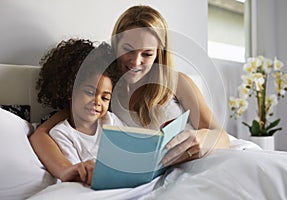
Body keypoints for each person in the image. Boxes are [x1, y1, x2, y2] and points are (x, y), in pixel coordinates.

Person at [29, 5, 230, 186]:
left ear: (159, 53)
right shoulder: (104, 88)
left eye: (147, 54)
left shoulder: (178, 83)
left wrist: (200, 138)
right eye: (128, 50)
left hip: (191, 169)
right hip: (151, 182)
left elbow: (221, 136)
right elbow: (41, 134)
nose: (136, 62)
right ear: (116, 46)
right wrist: (67, 170)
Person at [34, 38, 123, 184]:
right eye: (89, 92)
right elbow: (75, 174)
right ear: (70, 90)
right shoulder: (61, 132)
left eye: (105, 98)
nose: (97, 102)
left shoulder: (110, 120)